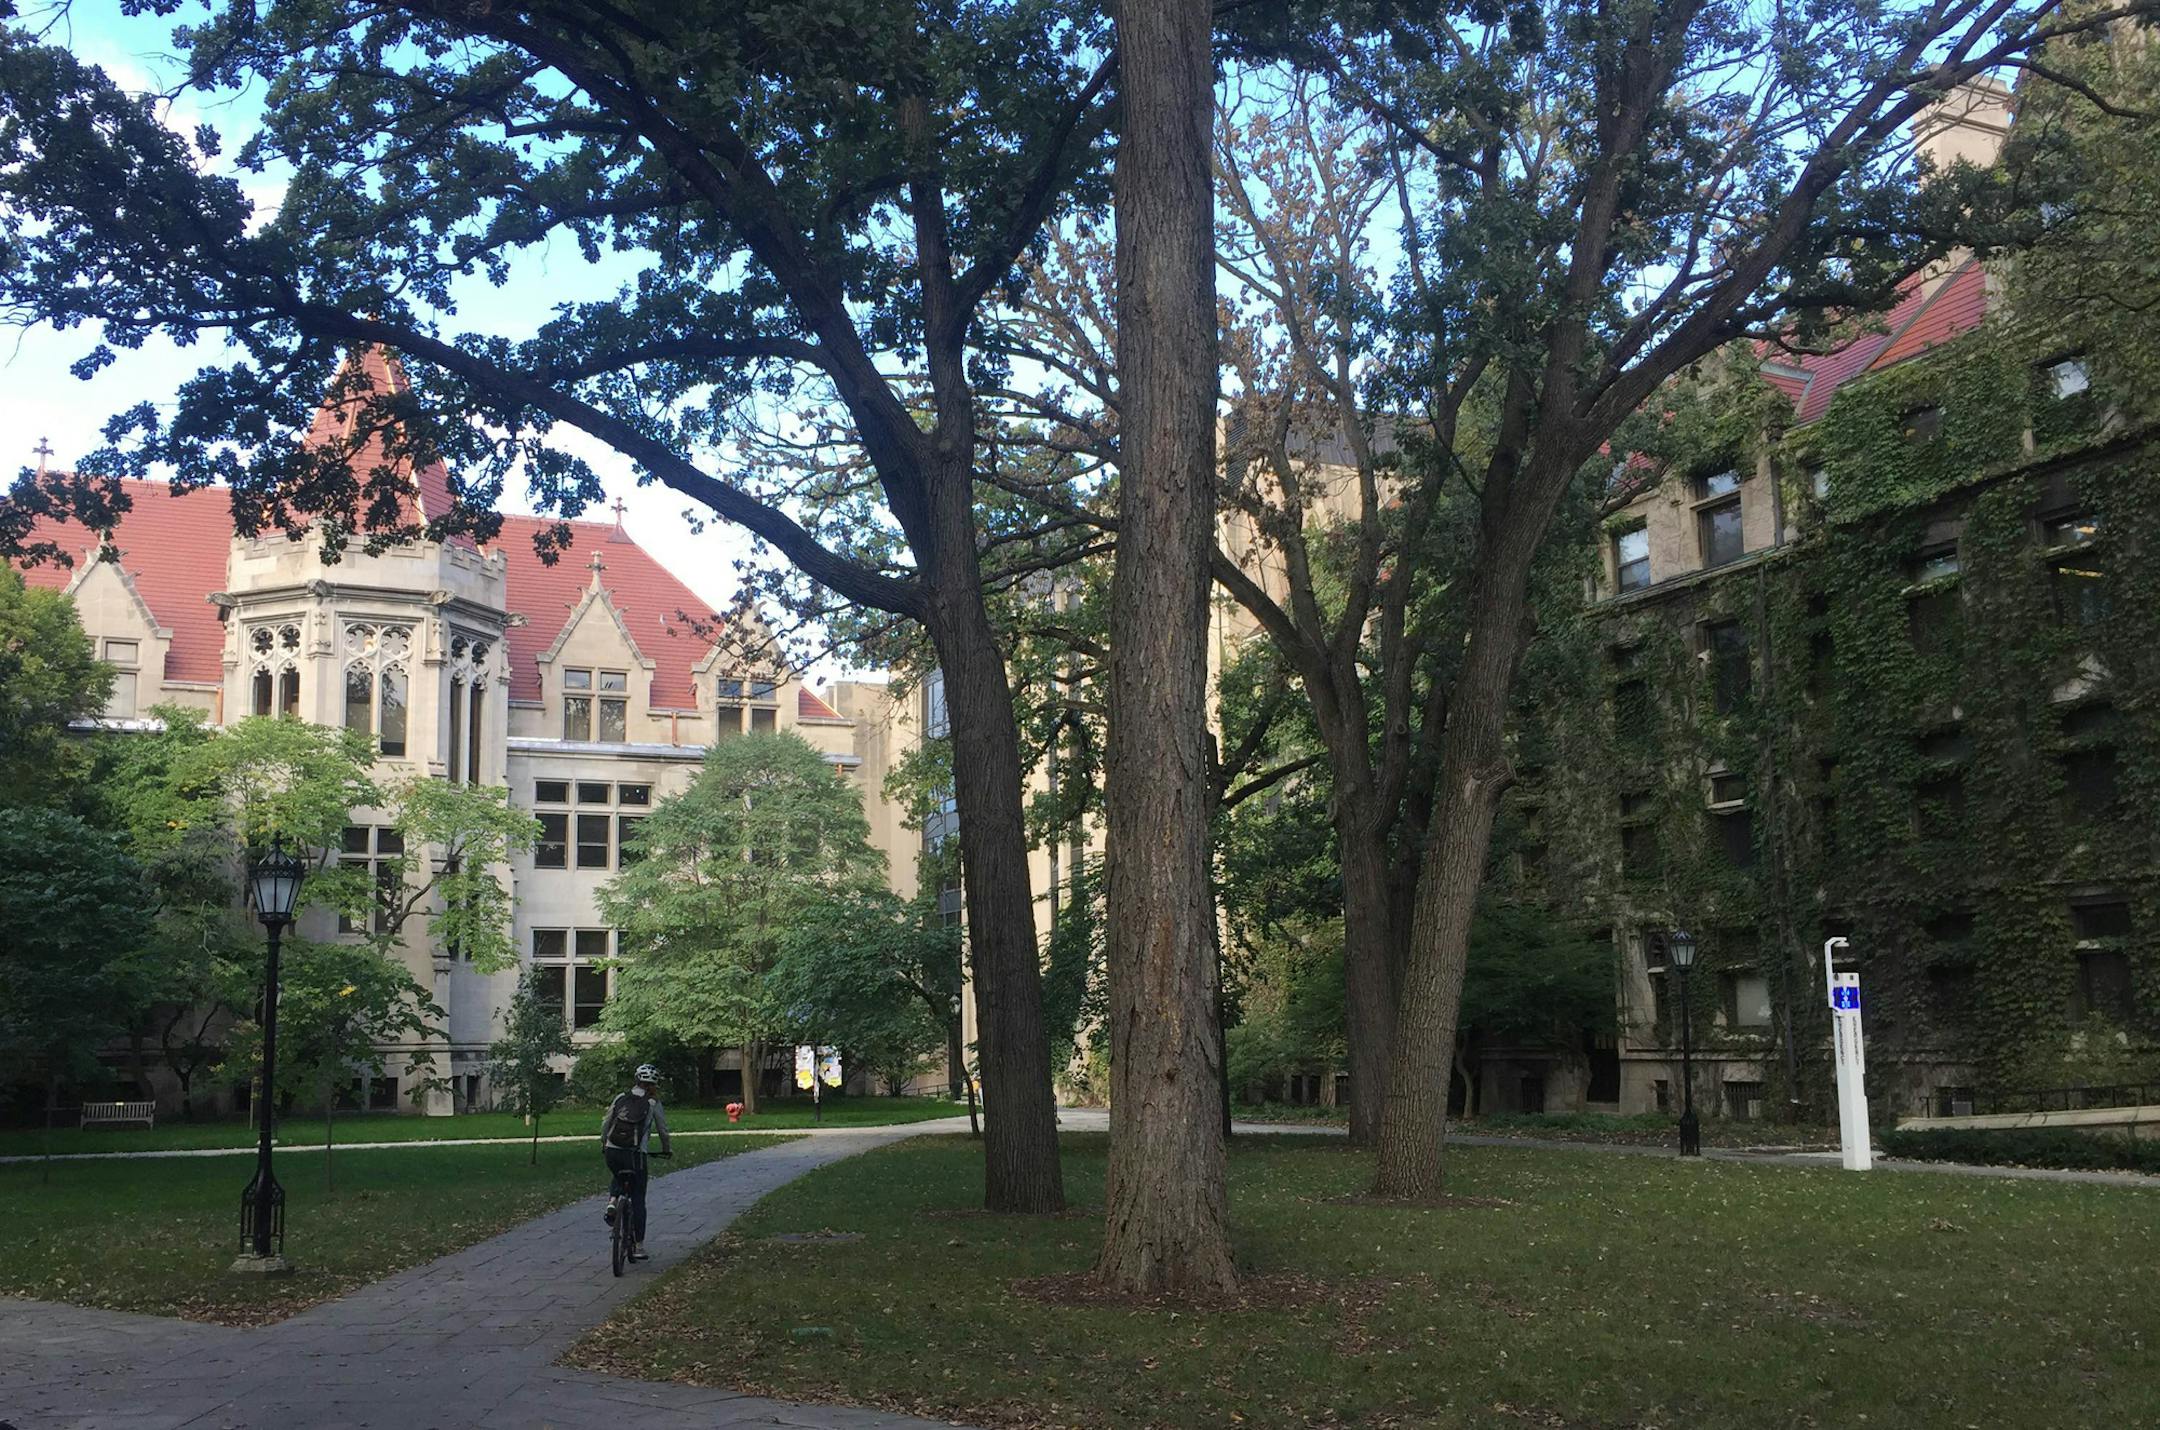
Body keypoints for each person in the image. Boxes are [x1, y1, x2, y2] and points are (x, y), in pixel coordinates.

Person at [600, 1063, 672, 1261]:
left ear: (636, 1080)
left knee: (617, 1173)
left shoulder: (620, 1097)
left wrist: (604, 1143)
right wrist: (667, 1149)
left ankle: (613, 1201)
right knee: (638, 1197)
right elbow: (663, 1131)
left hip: (612, 1150)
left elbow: (606, 1122)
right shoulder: (652, 1103)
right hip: (636, 1154)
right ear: (654, 1084)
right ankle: (639, 1246)